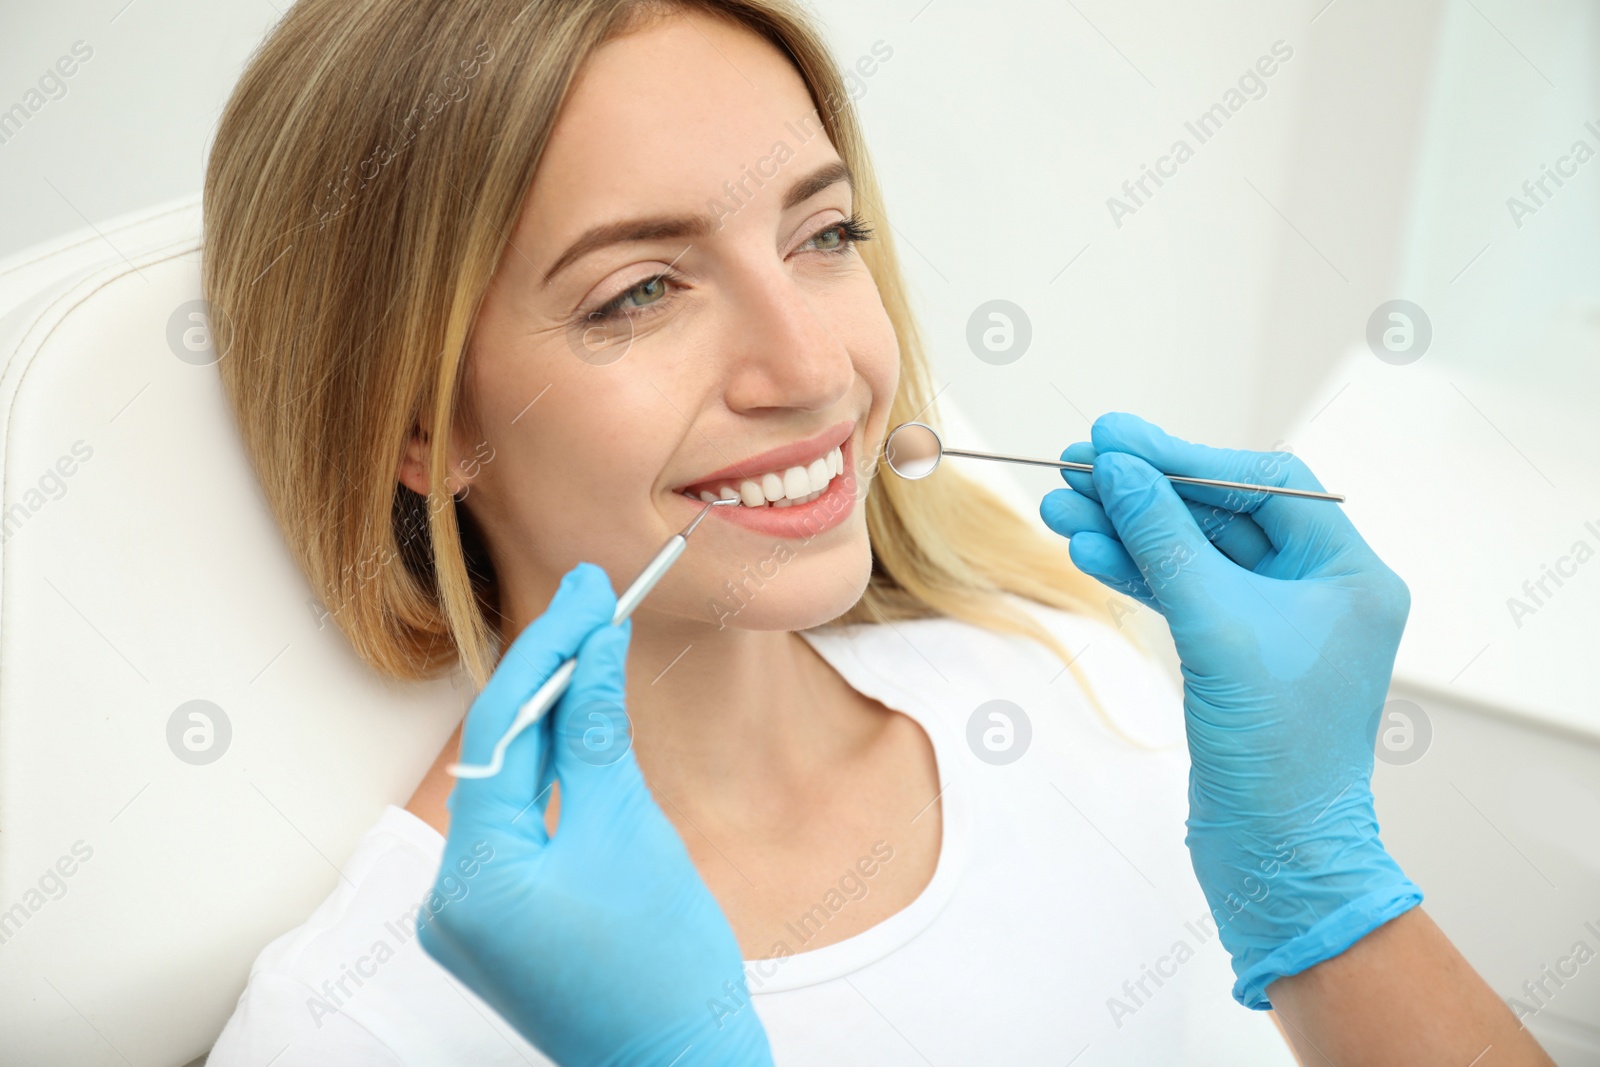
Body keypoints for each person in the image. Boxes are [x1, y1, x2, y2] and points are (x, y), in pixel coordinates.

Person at [200, 0, 1554, 1064]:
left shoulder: (1063, 680)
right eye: (642, 291)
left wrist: (1323, 890)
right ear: (416, 420)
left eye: (824, 233)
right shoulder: (360, 1020)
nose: (813, 368)